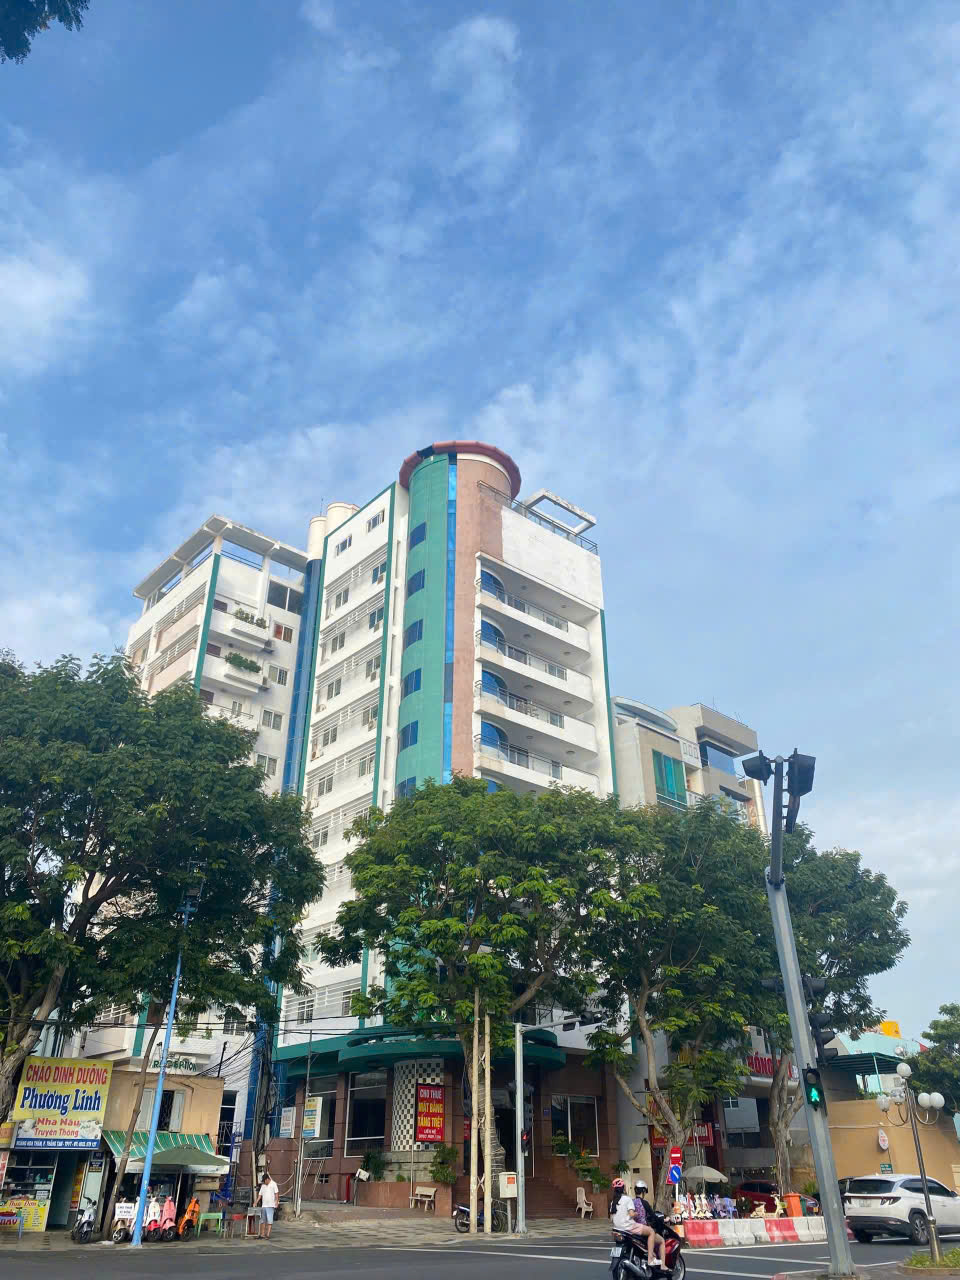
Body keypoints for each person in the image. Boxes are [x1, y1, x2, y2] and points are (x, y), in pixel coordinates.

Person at [254, 1172, 279, 1239]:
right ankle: (262, 1234)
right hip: (264, 1205)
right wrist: (256, 1202)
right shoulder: (263, 1186)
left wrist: (276, 1202)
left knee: (269, 1220)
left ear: (267, 1179)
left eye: (264, 1181)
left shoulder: (273, 1184)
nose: (264, 1182)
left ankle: (267, 1234)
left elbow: (276, 1194)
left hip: (271, 1205)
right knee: (262, 1220)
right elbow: (260, 1195)